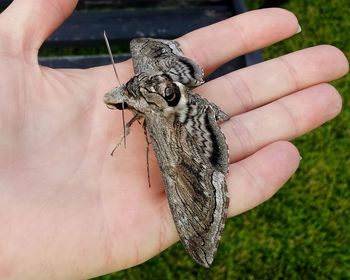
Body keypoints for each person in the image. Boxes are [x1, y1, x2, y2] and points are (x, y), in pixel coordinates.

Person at [0, 1, 348, 279]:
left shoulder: (151, 117)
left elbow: (168, 150)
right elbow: (149, 48)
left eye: (123, 101)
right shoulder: (146, 63)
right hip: (176, 98)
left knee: (174, 165)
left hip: (176, 120)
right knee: (141, 48)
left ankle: (200, 210)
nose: (118, 101)